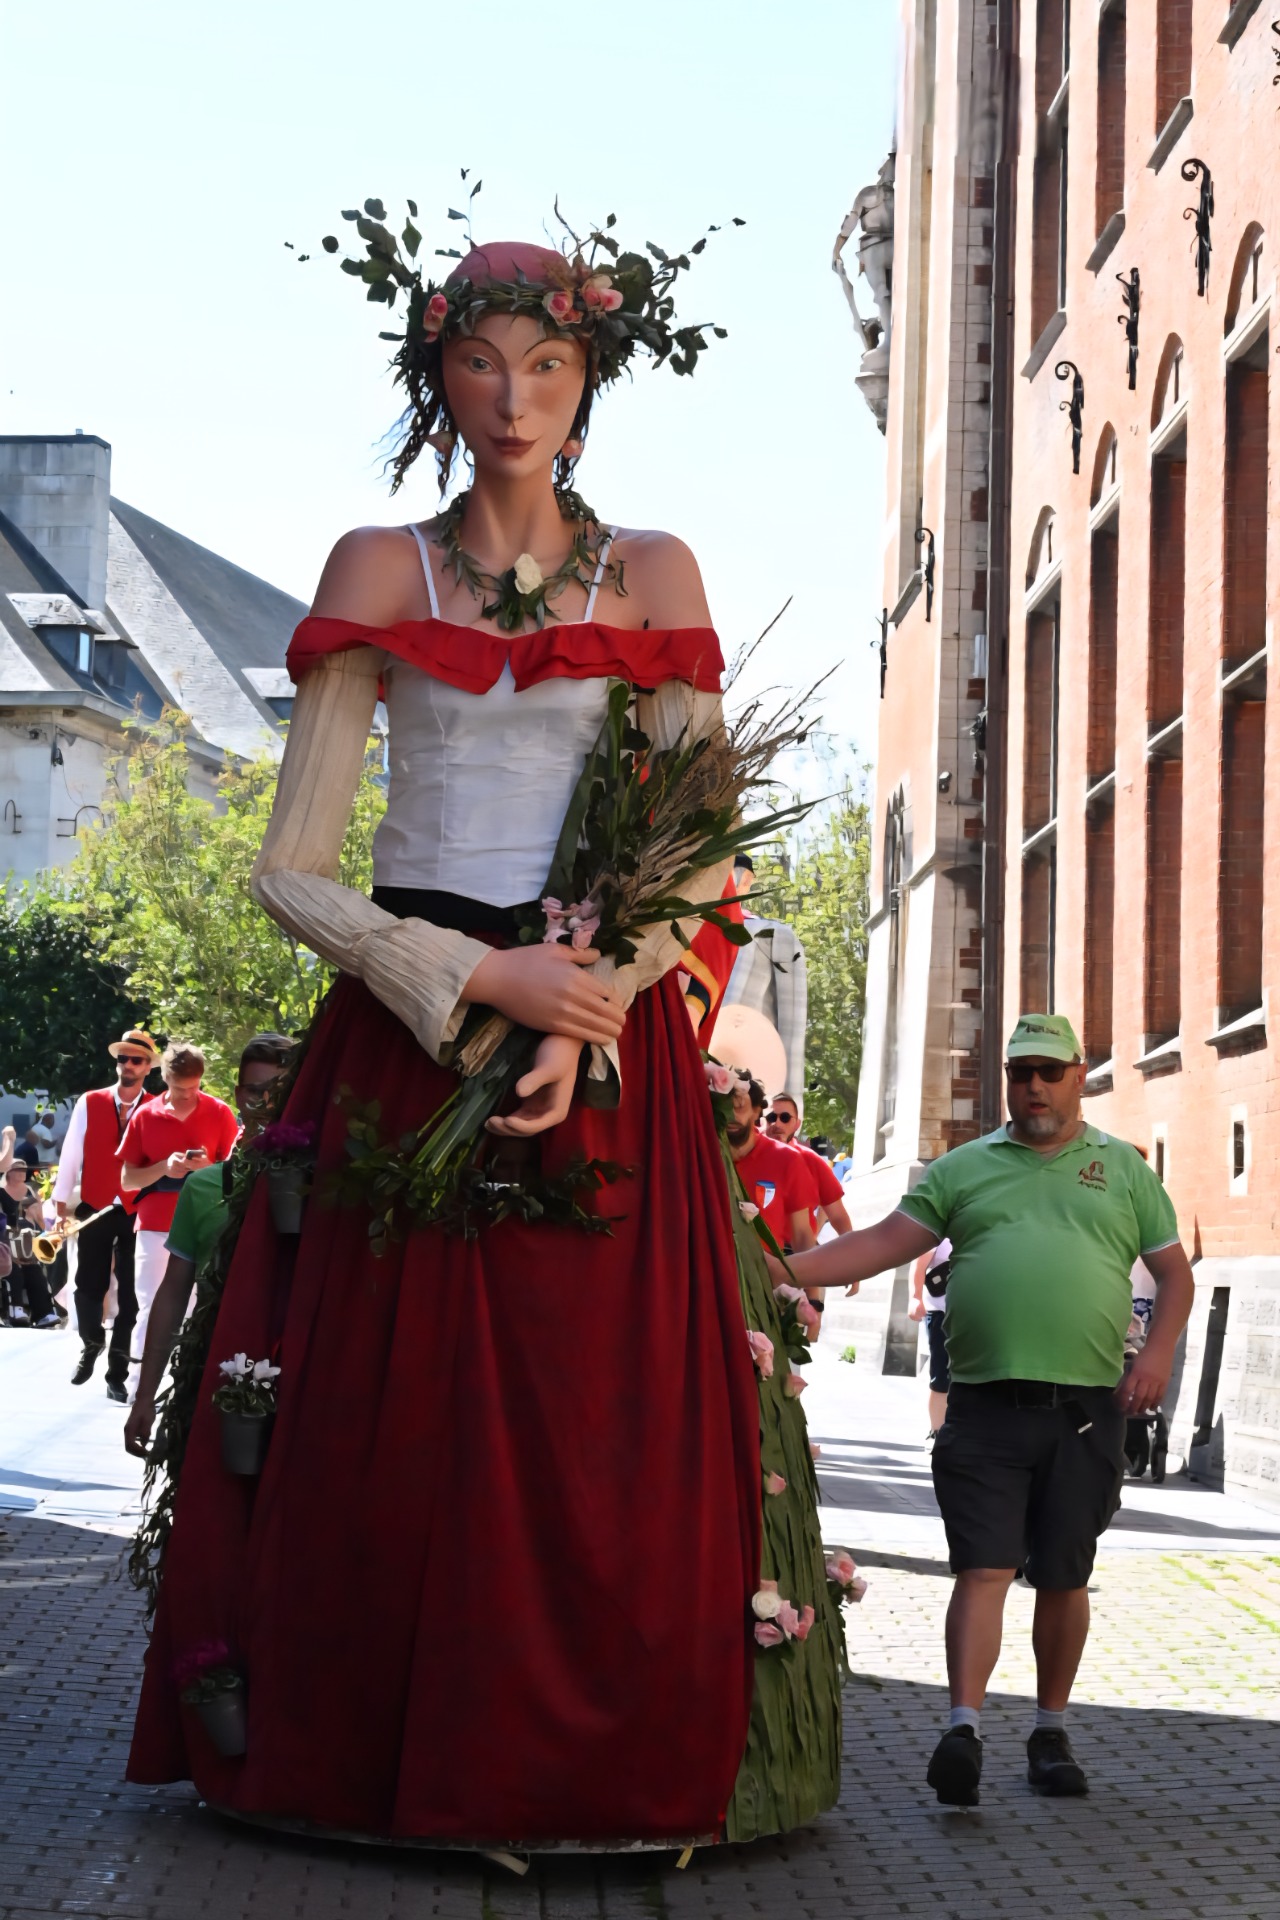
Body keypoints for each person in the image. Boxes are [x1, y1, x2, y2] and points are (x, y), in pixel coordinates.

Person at [126, 230, 842, 1850]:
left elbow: (705, 848)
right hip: (411, 1028)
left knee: (599, 1408)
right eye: (479, 363)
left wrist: (592, 999)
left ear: (591, 381)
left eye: (547, 365)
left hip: (608, 1041)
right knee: (395, 1400)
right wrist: (473, 981)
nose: (511, 398)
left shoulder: (653, 569)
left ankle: (595, 1759)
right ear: (430, 378)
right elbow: (287, 866)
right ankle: (366, 1753)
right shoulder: (379, 568)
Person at [780, 1012, 1194, 1806]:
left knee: (1065, 1575)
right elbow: (881, 1242)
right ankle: (962, 1728)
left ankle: (1049, 1730)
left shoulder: (1124, 1169)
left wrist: (1158, 1354)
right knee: (982, 1567)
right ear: (1007, 1080)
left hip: (1085, 1407)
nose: (1033, 1086)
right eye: (1020, 1072)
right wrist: (780, 1267)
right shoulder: (964, 1169)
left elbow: (1173, 1275)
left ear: (1079, 1075)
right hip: (983, 1402)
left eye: (1048, 1071)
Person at [124, 1034, 294, 1457]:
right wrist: (146, 1396)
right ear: (240, 1093)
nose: (266, 1103)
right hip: (215, 1362)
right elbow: (173, 1293)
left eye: (279, 1091)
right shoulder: (202, 1188)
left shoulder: (316, 1183)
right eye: (255, 1091)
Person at [118, 1042, 238, 1389]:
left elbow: (236, 1174)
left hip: (204, 1226)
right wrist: (162, 1169)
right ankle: (142, 1385)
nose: (187, 1095)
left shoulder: (220, 1113)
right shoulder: (145, 1115)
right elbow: (127, 1180)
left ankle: (185, 1387)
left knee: (197, 1311)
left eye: (194, 1088)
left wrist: (208, 1169)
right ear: (164, 1078)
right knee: (150, 1308)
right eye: (178, 1088)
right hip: (155, 1226)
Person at [54, 1028, 158, 1398]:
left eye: (136, 1060)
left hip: (136, 1209)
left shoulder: (156, 1106)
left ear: (148, 1067)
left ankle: (117, 1373)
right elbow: (71, 1150)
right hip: (94, 1205)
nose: (127, 1065)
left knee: (131, 1294)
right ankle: (91, 1342)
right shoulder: (90, 1100)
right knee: (87, 1284)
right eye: (122, 1058)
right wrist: (59, 1199)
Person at [728, 1078, 817, 1256]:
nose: (732, 1116)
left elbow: (801, 1235)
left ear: (756, 1111)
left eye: (739, 1106)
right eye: (724, 1108)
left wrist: (812, 1283)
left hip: (766, 1279)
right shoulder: (699, 1157)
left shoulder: (788, 1159)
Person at [764, 1093, 852, 1235]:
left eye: (785, 1118)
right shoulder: (748, 1155)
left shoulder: (810, 1159)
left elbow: (838, 1216)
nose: (777, 1124)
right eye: (771, 1118)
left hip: (798, 1252)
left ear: (797, 1124)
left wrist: (814, 1232)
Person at [0, 1164, 60, 1327]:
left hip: (17, 1248)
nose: (21, 1173)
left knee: (34, 1270)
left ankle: (43, 1314)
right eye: (17, 1170)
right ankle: (14, 1310)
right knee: (14, 1269)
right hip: (6, 1251)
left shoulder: (26, 1194)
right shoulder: (4, 1193)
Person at [908, 1236, 952, 1436]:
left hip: (976, 1311)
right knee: (941, 1374)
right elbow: (919, 1264)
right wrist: (915, 1298)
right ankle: (937, 1432)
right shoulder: (940, 1232)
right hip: (941, 1312)